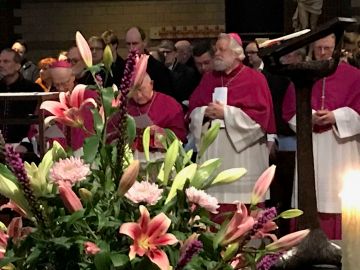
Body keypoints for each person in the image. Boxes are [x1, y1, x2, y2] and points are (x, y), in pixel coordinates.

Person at [282, 34, 360, 239]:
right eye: (319, 49)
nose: (323, 53)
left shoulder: (354, 76)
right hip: (311, 145)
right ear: (312, 50)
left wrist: (336, 116)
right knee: (309, 194)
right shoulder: (302, 76)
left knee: (339, 196)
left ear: (336, 49)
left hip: (341, 147)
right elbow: (289, 112)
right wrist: (309, 117)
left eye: (327, 48)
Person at [188, 33, 276, 203]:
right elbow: (192, 111)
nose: (217, 54)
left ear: (236, 53)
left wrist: (226, 114)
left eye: (222, 50)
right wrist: (204, 112)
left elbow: (261, 119)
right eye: (216, 50)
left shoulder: (255, 79)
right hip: (213, 151)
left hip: (242, 156)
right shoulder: (208, 78)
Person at [127, 55, 187, 163]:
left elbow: (180, 138)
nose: (139, 95)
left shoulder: (170, 105)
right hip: (132, 158)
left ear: (151, 84)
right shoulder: (127, 105)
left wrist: (160, 133)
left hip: (160, 158)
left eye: (142, 90)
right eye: (134, 91)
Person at [0, 48, 42, 144]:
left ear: (17, 66)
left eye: (6, 61)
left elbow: (38, 123)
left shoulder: (33, 89)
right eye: (0, 61)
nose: (1, 65)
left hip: (24, 146)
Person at [125, 26, 174, 97]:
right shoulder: (122, 67)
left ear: (144, 43)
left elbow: (166, 97)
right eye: (128, 44)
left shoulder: (158, 69)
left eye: (135, 43)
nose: (131, 48)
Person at [158, 40, 198, 106]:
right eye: (162, 53)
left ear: (175, 53)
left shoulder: (188, 72)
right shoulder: (156, 71)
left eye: (168, 52)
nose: (165, 55)